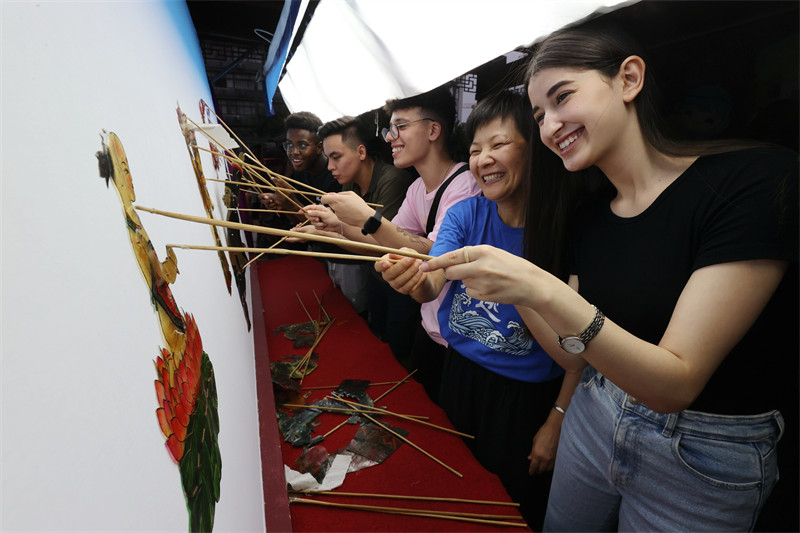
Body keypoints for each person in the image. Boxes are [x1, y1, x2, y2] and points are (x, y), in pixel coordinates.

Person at [420, 24, 799, 532]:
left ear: (629, 78)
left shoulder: (753, 180)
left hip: (704, 451)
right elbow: (571, 354)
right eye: (538, 116)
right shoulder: (587, 212)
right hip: (595, 414)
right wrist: (521, 289)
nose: (550, 125)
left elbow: (676, 383)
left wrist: (536, 286)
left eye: (562, 97)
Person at [376, 91, 580, 529]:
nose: (483, 159)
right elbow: (433, 281)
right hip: (460, 373)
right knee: (456, 489)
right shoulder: (466, 214)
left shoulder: (566, 227)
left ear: (536, 146)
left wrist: (557, 419)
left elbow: (581, 345)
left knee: (510, 505)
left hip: (528, 396)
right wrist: (412, 277)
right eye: (474, 150)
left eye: (498, 144)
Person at [301, 86, 482, 399]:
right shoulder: (416, 189)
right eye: (390, 128)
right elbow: (387, 243)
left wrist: (368, 219)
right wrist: (334, 227)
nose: (389, 137)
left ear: (433, 130)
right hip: (429, 326)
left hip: (461, 341)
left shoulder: (464, 186)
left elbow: (435, 254)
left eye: (400, 127)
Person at [294, 115, 416, 333]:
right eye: (328, 158)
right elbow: (348, 232)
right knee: (374, 330)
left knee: (397, 344)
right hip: (376, 275)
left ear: (361, 152)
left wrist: (329, 229)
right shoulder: (349, 183)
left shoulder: (393, 180)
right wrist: (320, 227)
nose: (330, 167)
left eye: (336, 157)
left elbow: (377, 246)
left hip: (403, 281)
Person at [259, 111, 340, 220]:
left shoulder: (337, 176)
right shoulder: (300, 173)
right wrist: (282, 204)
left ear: (319, 147)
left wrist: (292, 204)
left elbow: (330, 230)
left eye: (302, 145)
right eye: (289, 145)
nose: (294, 152)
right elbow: (299, 221)